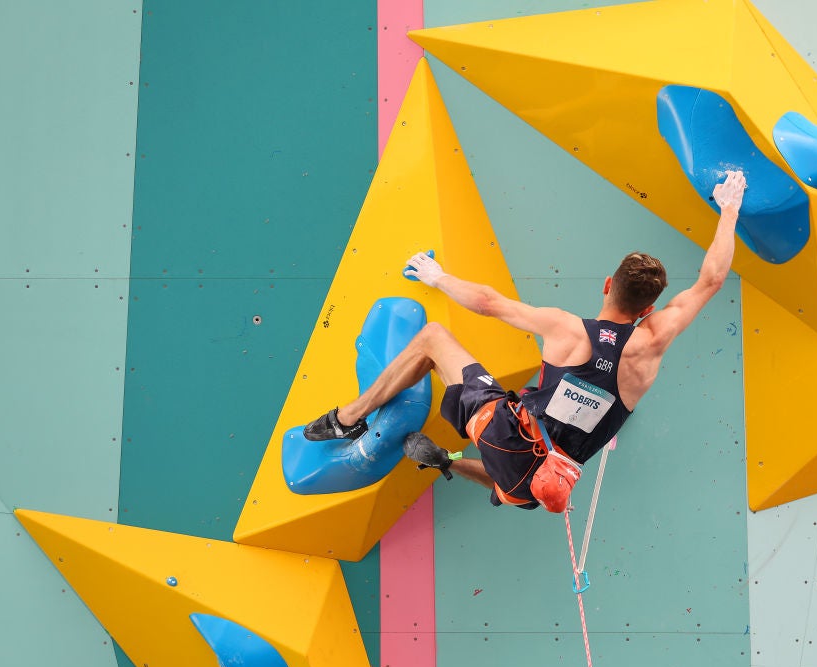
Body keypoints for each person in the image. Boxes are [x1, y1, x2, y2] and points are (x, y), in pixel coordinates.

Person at [304, 170, 747, 512]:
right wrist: (728, 213)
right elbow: (711, 280)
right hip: (536, 488)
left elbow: (489, 303)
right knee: (517, 483)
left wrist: (437, 277)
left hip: (500, 434)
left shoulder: (567, 329)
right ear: (650, 309)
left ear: (608, 284)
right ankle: (446, 462)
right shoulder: (654, 341)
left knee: (434, 339)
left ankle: (347, 418)